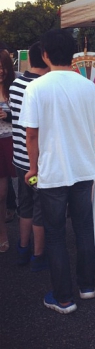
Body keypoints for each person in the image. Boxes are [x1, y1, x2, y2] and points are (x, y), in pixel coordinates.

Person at [19, 29, 95, 314]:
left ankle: (64, 297)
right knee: (84, 228)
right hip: (84, 169)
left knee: (56, 234)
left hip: (52, 172)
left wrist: (33, 167)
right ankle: (87, 287)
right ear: (73, 55)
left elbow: (31, 136)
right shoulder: (88, 87)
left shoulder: (37, 88)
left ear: (45, 55)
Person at [9, 41, 50, 270]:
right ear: (45, 58)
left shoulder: (15, 85)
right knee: (40, 208)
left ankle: (22, 249)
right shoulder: (42, 87)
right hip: (38, 160)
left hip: (19, 158)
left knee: (24, 205)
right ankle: (39, 256)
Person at [0, 48, 16, 252]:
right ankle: (2, 232)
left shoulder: (16, 86)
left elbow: (26, 115)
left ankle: (29, 235)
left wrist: (8, 116)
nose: (0, 71)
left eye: (3, 67)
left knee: (26, 189)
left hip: (16, 140)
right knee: (1, 194)